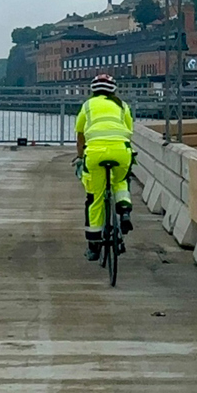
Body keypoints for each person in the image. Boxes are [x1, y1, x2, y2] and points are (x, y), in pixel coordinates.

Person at [75, 74, 134, 261]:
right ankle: (124, 210)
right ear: (114, 90)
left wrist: (80, 156)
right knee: (121, 181)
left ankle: (94, 246)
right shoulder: (122, 106)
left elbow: (80, 135)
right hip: (120, 150)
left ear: (93, 90)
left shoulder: (87, 106)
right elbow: (129, 131)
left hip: (95, 152)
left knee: (96, 198)